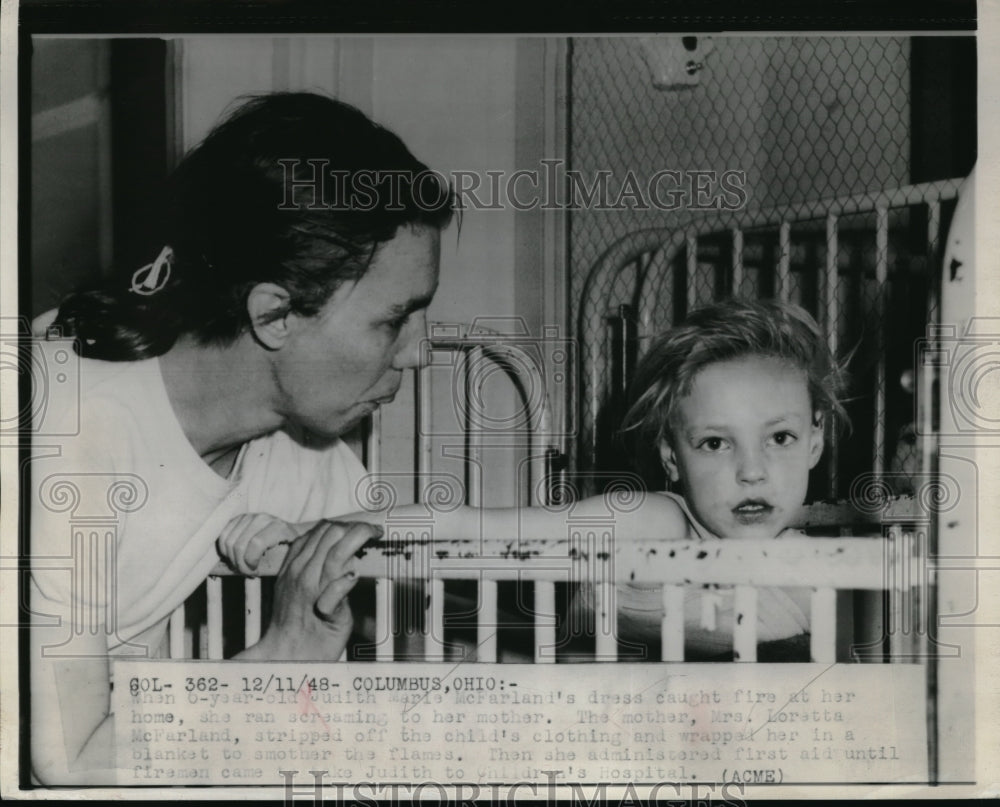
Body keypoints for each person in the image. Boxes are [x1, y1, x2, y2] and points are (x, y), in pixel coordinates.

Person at [28, 91, 454, 784]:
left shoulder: (305, 459)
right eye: (395, 320)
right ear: (274, 314)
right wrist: (278, 662)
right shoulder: (64, 417)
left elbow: (446, 600)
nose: (419, 353)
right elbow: (65, 761)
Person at [221, 297, 848, 661]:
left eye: (781, 437)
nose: (753, 469)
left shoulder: (843, 570)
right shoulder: (655, 522)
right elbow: (470, 526)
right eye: (715, 443)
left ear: (816, 438)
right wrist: (308, 533)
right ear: (671, 457)